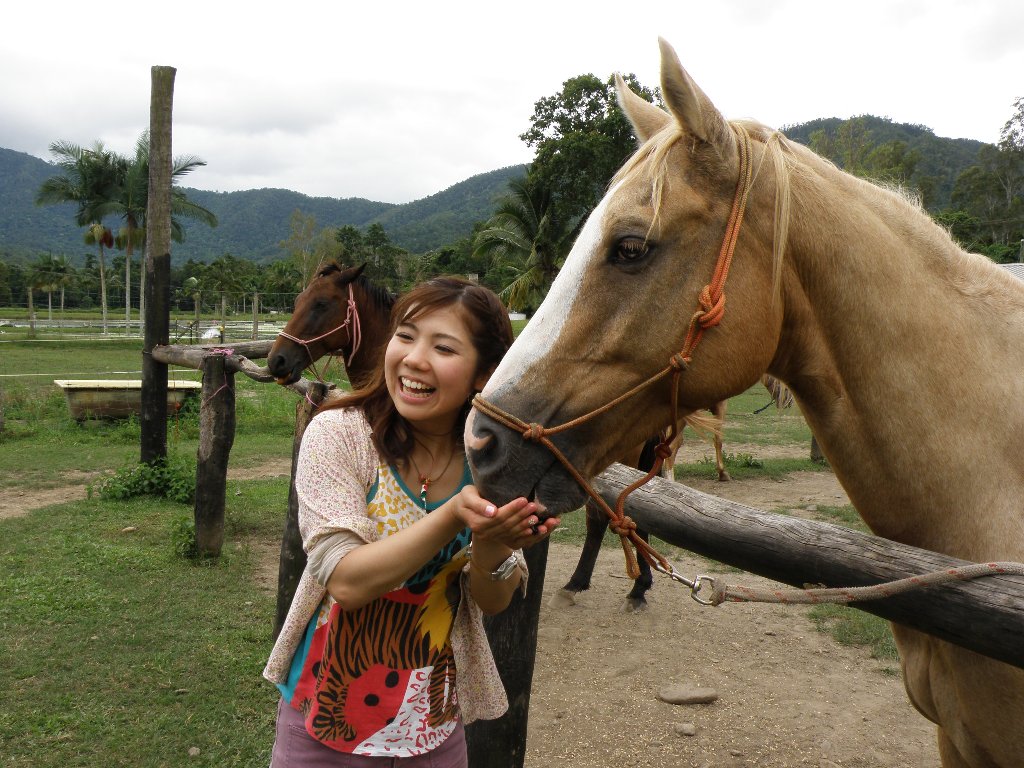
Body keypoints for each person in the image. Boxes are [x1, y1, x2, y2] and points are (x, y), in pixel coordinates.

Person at [263, 276, 559, 766]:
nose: (414, 359)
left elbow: (492, 599)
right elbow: (346, 581)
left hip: (432, 728)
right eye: (404, 336)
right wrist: (453, 516)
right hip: (323, 720)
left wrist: (492, 543)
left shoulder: (489, 460)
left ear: (484, 373)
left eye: (443, 347)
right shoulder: (339, 435)